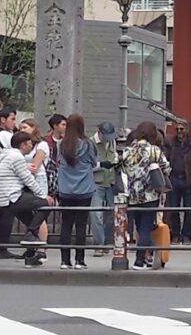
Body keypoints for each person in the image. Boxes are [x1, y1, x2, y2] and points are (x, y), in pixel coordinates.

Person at [0, 132, 54, 269]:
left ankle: (30, 256)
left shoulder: (8, 156)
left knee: (32, 221)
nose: (31, 146)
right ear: (23, 145)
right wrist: (42, 195)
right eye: (30, 144)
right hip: (13, 196)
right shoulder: (17, 157)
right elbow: (27, 178)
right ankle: (30, 235)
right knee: (46, 204)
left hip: (7, 198)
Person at [121, 122, 170, 271]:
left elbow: (122, 169)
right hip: (150, 194)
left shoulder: (127, 151)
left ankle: (146, 257)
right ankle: (140, 260)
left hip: (133, 195)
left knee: (139, 226)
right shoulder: (154, 150)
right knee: (146, 228)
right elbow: (166, 168)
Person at [55, 114, 97, 270]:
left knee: (66, 225)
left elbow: (58, 161)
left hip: (65, 190)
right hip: (84, 189)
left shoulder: (61, 144)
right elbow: (94, 162)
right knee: (81, 225)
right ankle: (80, 260)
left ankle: (64, 261)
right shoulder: (87, 144)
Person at [90, 122, 118, 257]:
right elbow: (87, 165)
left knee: (114, 212)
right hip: (96, 182)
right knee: (96, 213)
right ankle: (99, 244)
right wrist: (101, 165)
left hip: (111, 181)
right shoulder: (91, 143)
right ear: (100, 133)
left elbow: (114, 156)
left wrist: (116, 162)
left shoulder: (112, 142)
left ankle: (107, 240)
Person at [164, 122, 191, 244]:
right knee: (174, 208)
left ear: (187, 129)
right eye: (177, 129)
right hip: (174, 178)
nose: (179, 132)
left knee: (188, 208)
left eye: (182, 129)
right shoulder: (171, 143)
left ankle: (186, 234)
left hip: (187, 179)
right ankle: (176, 234)